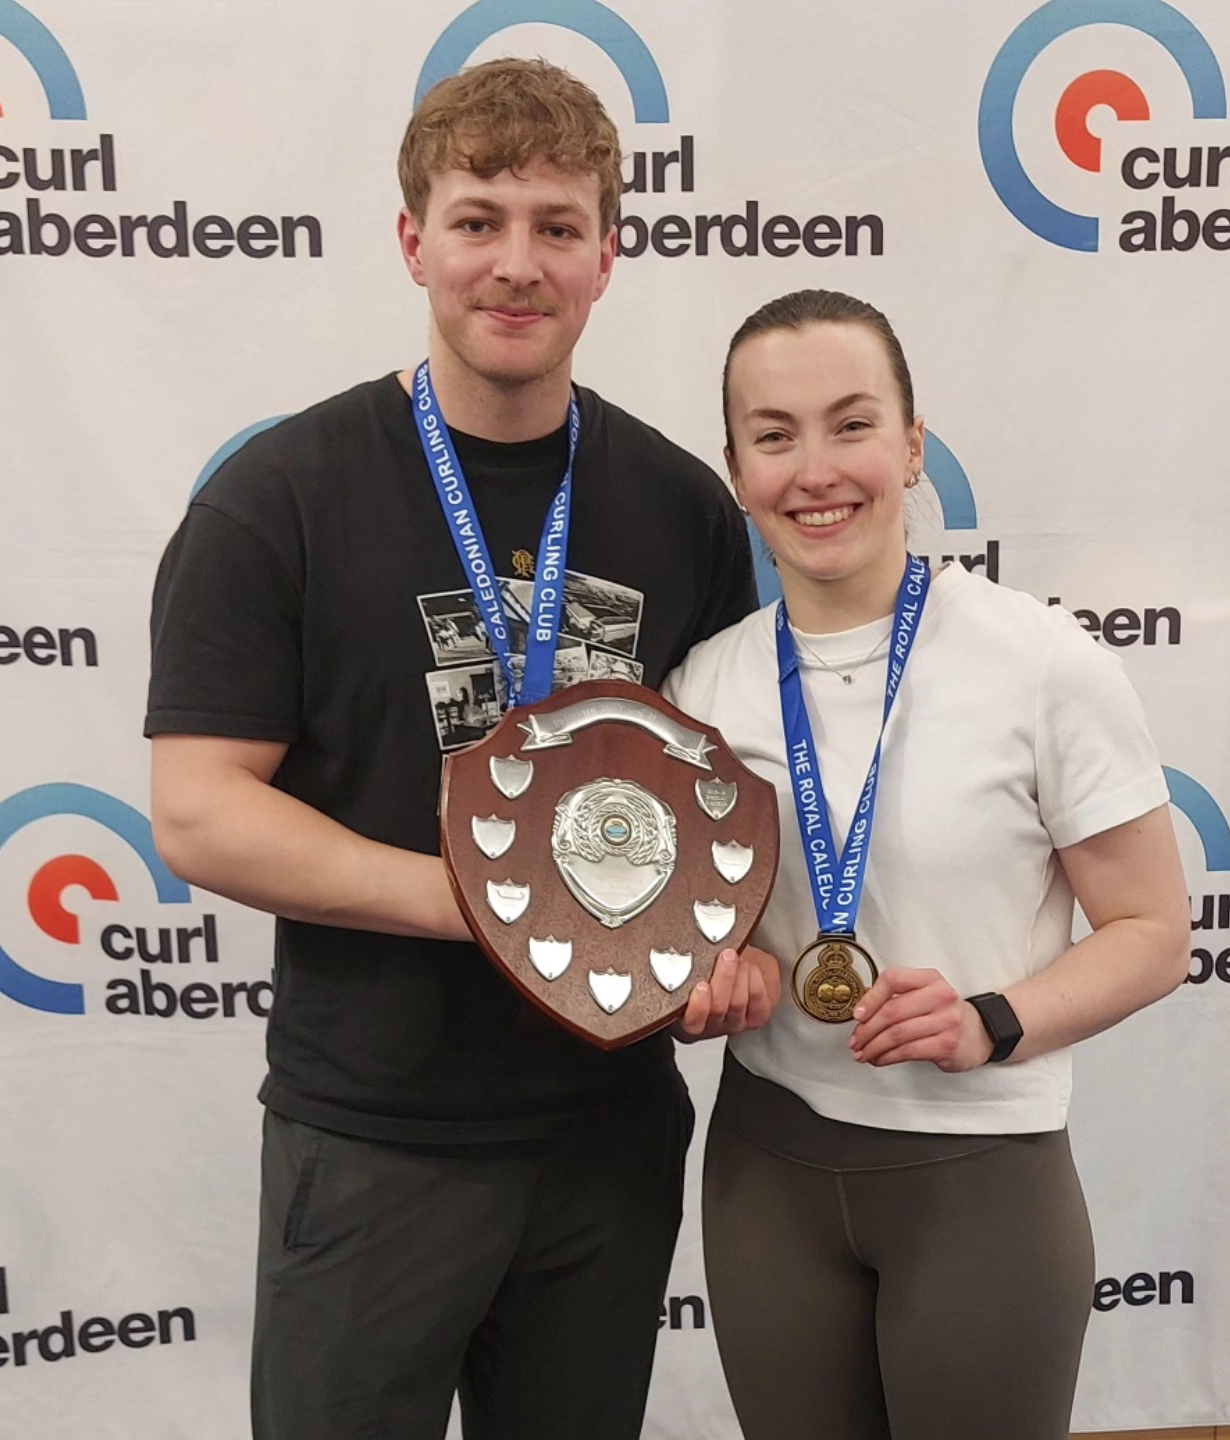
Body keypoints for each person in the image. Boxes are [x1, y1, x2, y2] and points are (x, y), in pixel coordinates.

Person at [144, 59, 776, 1440]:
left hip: (608, 1126)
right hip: (378, 1137)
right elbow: (198, 812)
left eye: (558, 225)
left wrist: (737, 950)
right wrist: (489, 899)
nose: (517, 263)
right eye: (479, 219)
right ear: (413, 241)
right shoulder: (281, 498)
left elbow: (729, 801)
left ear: (609, 255)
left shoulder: (682, 507)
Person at [662, 289, 1191, 1440]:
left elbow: (1154, 935)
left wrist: (993, 1020)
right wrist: (726, 977)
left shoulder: (1041, 664)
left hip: (979, 1180)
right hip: (766, 1168)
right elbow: (706, 927)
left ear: (911, 446)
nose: (816, 471)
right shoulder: (703, 687)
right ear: (737, 472)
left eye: (852, 425)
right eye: (774, 436)